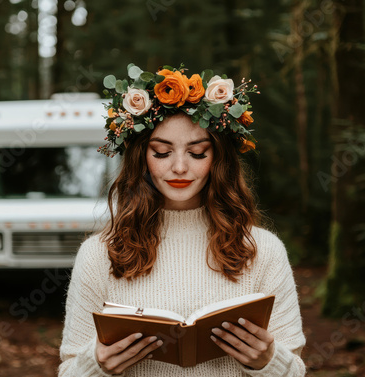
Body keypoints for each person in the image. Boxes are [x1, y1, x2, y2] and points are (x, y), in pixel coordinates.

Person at [58, 64, 306, 376]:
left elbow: (295, 371)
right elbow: (68, 371)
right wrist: (95, 364)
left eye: (198, 153)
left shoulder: (264, 251)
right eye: (161, 153)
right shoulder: (98, 255)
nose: (179, 167)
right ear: (141, 158)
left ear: (218, 159)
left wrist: (268, 360)